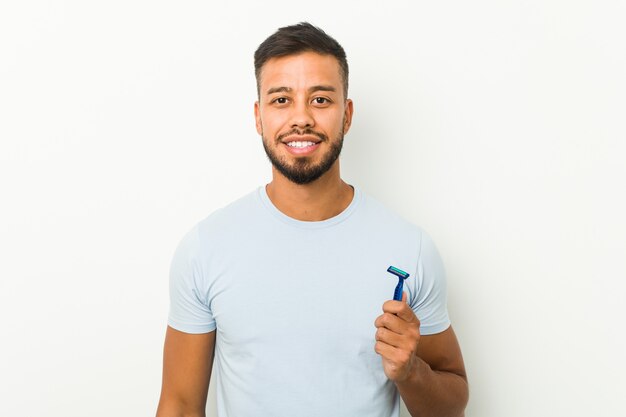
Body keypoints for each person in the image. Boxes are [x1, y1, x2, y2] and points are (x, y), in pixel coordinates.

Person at [156, 22, 468, 417]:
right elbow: (180, 405)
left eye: (320, 100)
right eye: (281, 100)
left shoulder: (409, 249)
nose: (300, 118)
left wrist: (410, 372)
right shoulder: (205, 249)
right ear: (258, 117)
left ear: (348, 114)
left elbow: (452, 404)